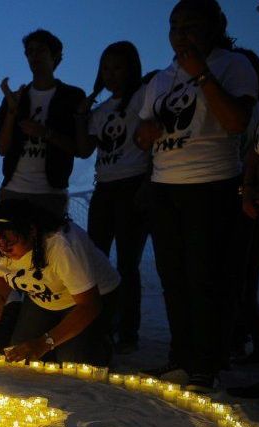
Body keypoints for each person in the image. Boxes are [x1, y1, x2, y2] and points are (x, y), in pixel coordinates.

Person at [134, 0, 258, 391]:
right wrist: (147, 134)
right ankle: (182, 359)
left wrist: (201, 74)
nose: (181, 35)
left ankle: (208, 363)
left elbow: (237, 122)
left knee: (207, 277)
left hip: (212, 183)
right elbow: (141, 135)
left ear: (214, 26)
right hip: (165, 185)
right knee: (173, 278)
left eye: (190, 26)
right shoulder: (160, 79)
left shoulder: (232, 64)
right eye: (174, 27)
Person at [74, 41, 151, 355]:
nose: (111, 74)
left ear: (131, 68)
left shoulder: (142, 98)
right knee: (96, 259)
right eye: (105, 68)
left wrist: (148, 182)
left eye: (117, 67)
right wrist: (82, 116)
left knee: (128, 263)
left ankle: (128, 331)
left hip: (133, 183)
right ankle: (100, 325)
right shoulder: (101, 110)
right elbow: (83, 150)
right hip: (103, 188)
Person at [0, 199, 120, 366]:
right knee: (20, 354)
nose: (5, 250)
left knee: (73, 362)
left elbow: (89, 305)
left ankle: (102, 344)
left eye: (11, 243)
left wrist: (44, 343)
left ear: (31, 231)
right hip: (43, 298)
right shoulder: (0, 243)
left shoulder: (61, 246)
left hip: (89, 300)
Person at [229, 0, 259, 400]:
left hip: (257, 197)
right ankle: (258, 346)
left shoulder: (256, 109)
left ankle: (257, 346)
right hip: (253, 193)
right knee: (243, 279)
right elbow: (255, 151)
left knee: (246, 275)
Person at [0, 29, 86, 217]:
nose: (34, 56)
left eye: (41, 50)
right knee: (3, 247)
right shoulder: (17, 97)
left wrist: (46, 133)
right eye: (30, 51)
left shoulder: (72, 97)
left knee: (51, 247)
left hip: (51, 195)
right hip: (13, 191)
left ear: (55, 56)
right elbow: (1, 148)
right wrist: (12, 111)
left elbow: (79, 148)